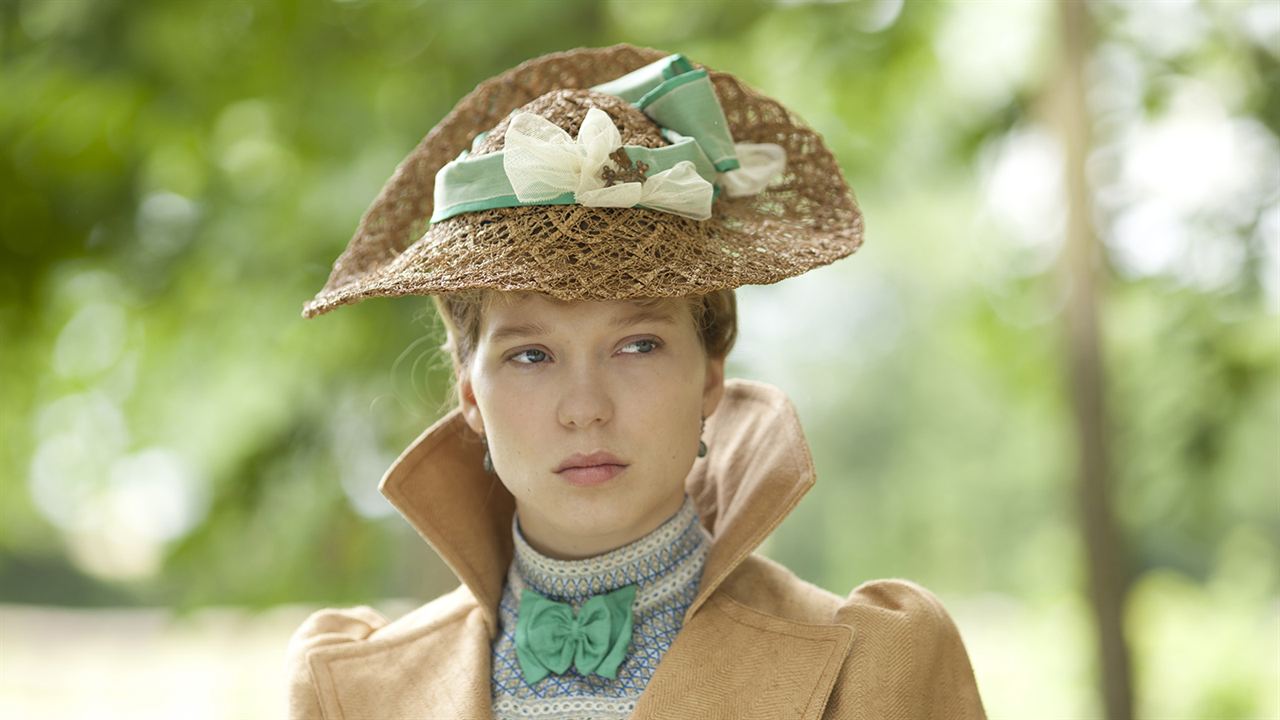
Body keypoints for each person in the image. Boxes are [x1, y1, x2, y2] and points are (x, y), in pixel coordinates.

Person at [287, 44, 987, 720]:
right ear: (470, 392)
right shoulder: (353, 695)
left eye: (638, 345)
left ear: (712, 373)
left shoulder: (876, 671)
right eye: (531, 356)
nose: (586, 409)